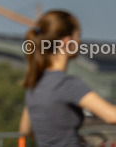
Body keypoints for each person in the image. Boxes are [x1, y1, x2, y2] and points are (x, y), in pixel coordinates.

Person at [20, 9, 116, 145]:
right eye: (78, 36)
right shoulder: (66, 84)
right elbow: (112, 116)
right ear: (66, 41)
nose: (80, 42)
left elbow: (25, 130)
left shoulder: (34, 84)